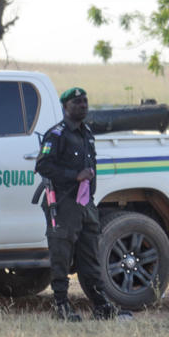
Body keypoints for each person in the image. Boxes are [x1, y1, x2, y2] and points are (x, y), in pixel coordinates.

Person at [35, 86, 132, 322]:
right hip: (63, 204)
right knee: (61, 255)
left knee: (90, 257)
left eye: (85, 101)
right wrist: (73, 175)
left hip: (86, 204)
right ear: (65, 107)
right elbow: (43, 166)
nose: (83, 106)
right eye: (77, 102)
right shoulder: (57, 135)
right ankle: (61, 306)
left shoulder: (87, 133)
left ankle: (101, 306)